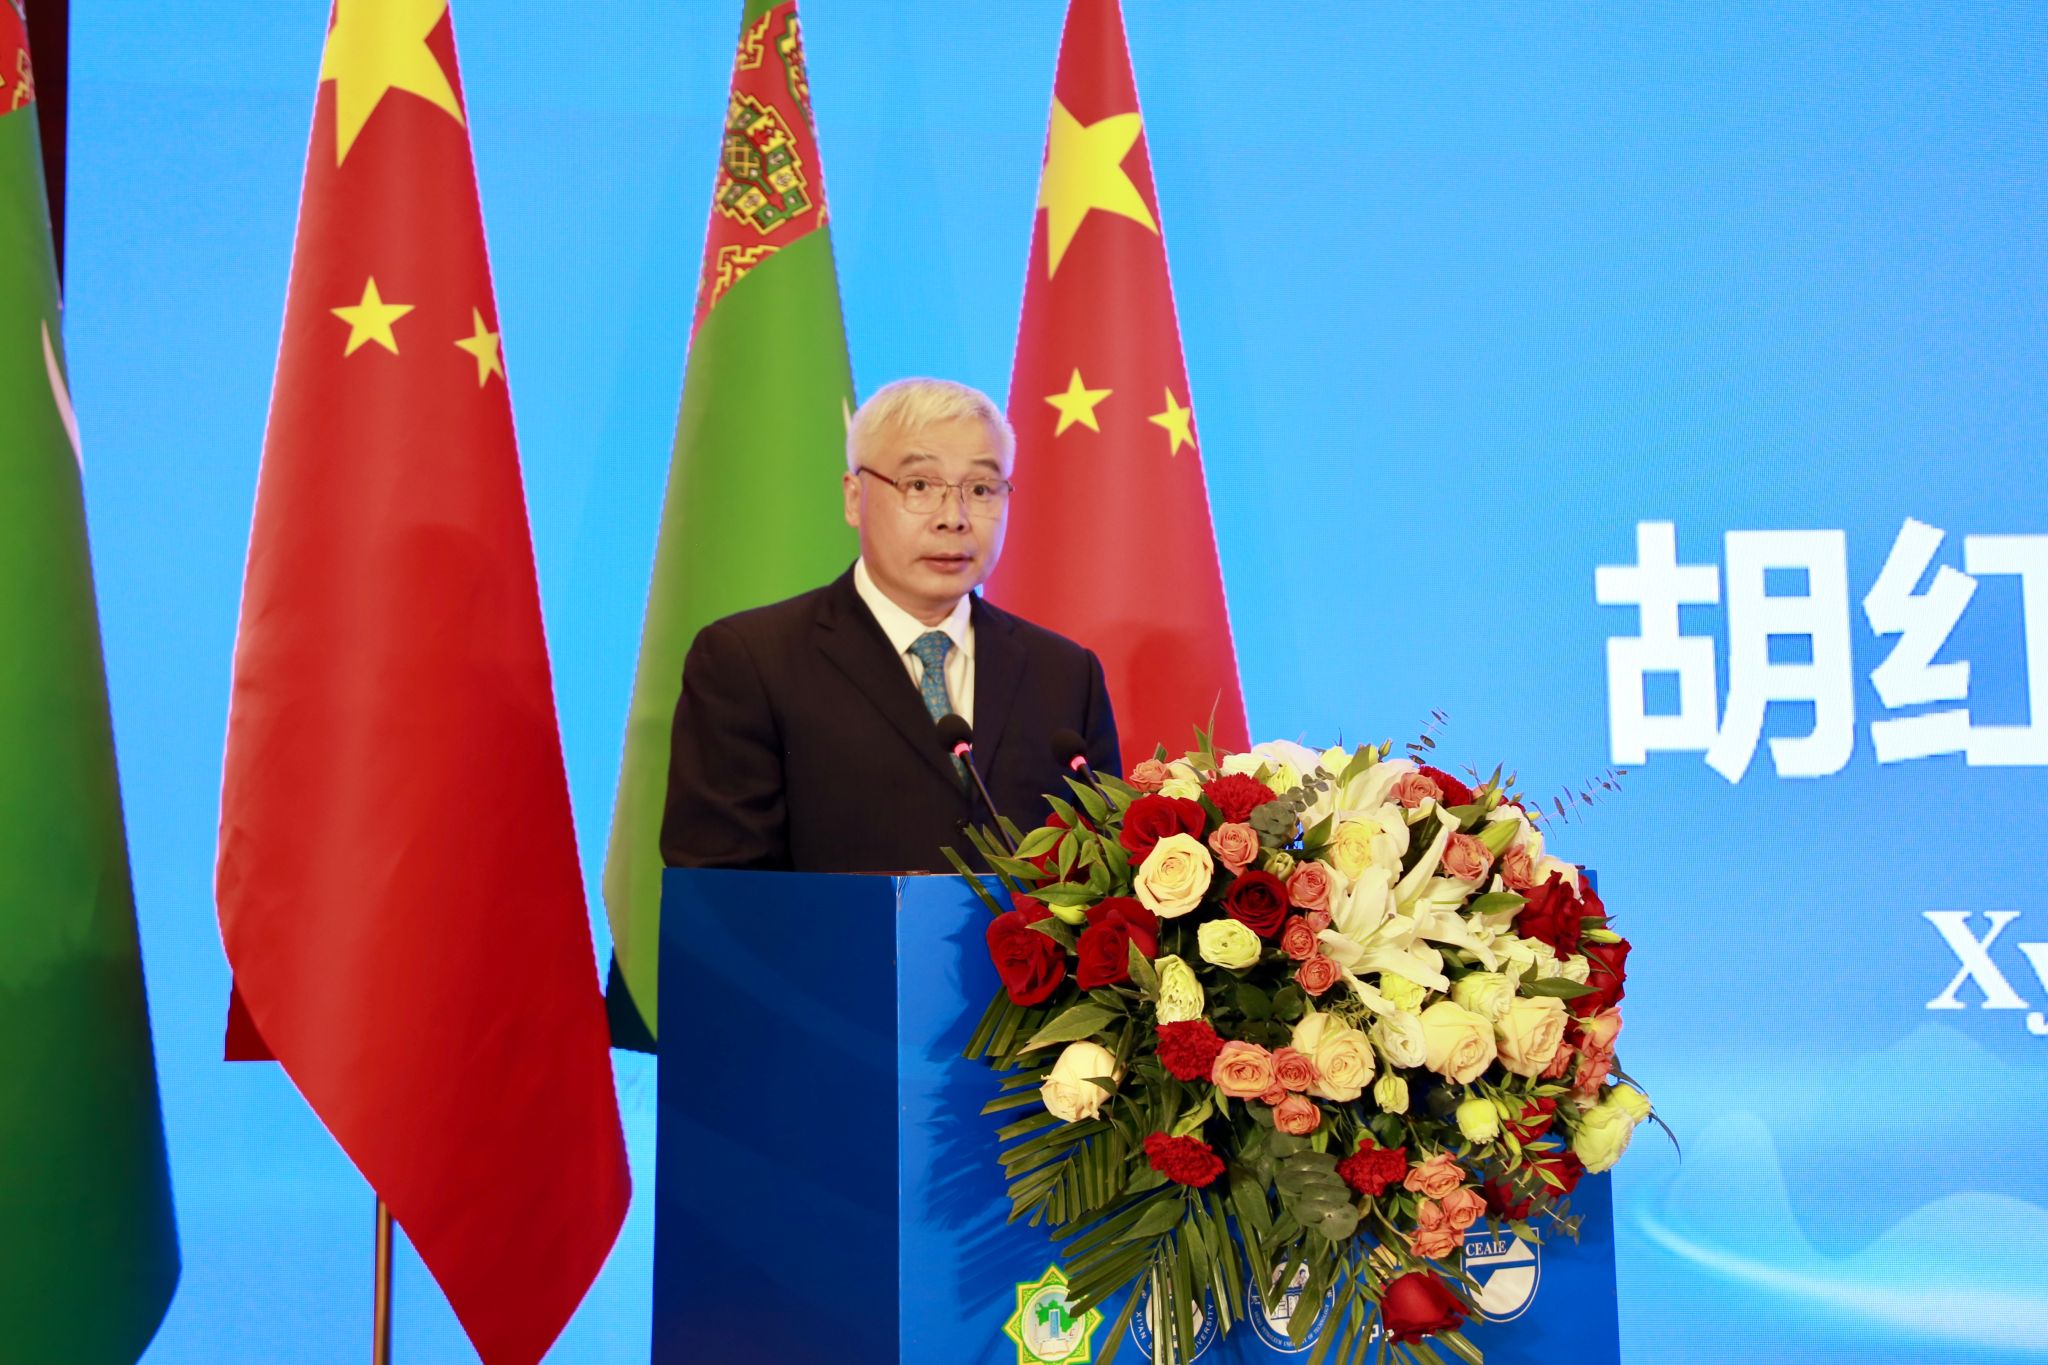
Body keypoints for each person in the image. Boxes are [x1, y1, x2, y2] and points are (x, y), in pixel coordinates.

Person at [660, 377, 1120, 872]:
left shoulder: (1066, 674)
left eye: (981, 489)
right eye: (919, 485)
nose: (954, 517)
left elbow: (1106, 872)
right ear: (853, 497)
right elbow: (720, 885)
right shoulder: (751, 662)